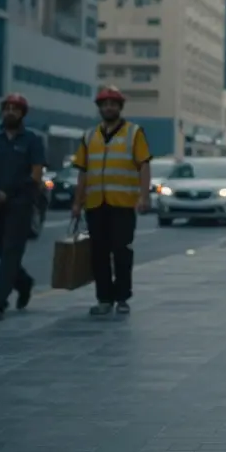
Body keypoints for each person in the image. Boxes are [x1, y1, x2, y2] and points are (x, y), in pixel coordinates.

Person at [71, 86, 153, 316]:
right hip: (96, 204)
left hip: (123, 203)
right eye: (104, 104)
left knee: (121, 251)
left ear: (120, 107)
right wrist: (78, 203)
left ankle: (122, 297)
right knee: (98, 253)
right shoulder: (89, 136)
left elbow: (144, 165)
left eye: (113, 104)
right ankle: (104, 298)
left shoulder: (134, 132)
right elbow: (83, 172)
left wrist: (144, 196)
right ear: (99, 108)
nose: (109, 107)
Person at [0, 93, 47, 321]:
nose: (10, 112)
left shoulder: (32, 140)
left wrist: (11, 192)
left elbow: (36, 174)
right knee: (0, 249)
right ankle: (23, 282)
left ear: (22, 114)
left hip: (21, 204)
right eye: (7, 108)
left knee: (11, 253)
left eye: (15, 109)